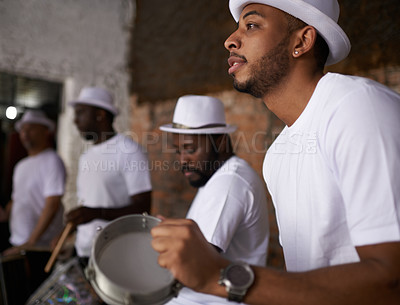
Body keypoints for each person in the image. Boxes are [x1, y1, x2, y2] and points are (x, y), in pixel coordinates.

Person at [151, 0, 400, 304]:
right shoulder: (278, 154)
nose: (230, 39)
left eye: (251, 25)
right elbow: (307, 276)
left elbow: (390, 280)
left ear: (301, 41)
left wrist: (223, 277)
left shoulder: (357, 108)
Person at [159, 95, 269, 304]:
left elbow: (194, 263)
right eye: (178, 151)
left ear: (220, 141)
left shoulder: (229, 182)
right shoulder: (215, 176)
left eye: (190, 150)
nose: (183, 161)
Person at [66, 86, 152, 263]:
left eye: (81, 113)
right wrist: (68, 233)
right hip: (83, 252)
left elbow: (143, 208)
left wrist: (97, 213)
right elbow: (87, 204)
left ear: (100, 114)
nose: (75, 120)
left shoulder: (128, 151)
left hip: (113, 256)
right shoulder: (86, 156)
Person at [0, 110, 65, 256]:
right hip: (17, 242)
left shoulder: (52, 161)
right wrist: (6, 212)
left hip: (38, 247)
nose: (25, 134)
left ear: (45, 131)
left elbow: (52, 204)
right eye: (23, 130)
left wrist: (31, 242)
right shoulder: (21, 166)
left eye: (31, 129)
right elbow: (17, 199)